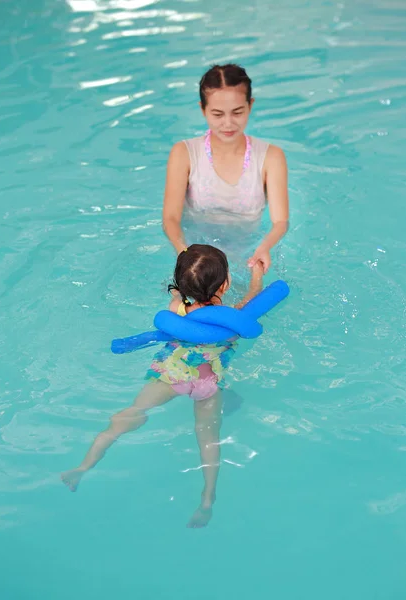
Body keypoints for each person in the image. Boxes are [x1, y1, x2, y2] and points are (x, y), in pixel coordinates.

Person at [62, 244, 264, 528]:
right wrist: (256, 278)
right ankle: (207, 498)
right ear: (226, 282)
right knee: (207, 436)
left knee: (132, 413)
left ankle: (82, 467)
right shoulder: (231, 314)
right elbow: (253, 303)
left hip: (173, 372)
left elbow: (178, 298)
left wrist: (175, 291)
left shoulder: (177, 309)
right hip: (208, 380)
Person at [162, 63, 289, 274]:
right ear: (202, 109)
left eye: (237, 112)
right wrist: (185, 256)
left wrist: (264, 248)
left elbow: (280, 221)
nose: (228, 123)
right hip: (193, 252)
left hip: (248, 253)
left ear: (251, 105)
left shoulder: (271, 157)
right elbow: (170, 218)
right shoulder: (184, 153)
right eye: (218, 114)